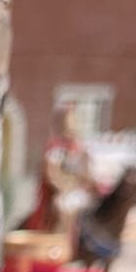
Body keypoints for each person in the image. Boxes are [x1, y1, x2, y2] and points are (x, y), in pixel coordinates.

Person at [24, 103, 98, 251]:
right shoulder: (55, 148)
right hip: (60, 191)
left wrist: (86, 182)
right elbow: (51, 174)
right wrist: (65, 187)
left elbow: (86, 172)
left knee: (93, 206)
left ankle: (89, 243)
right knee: (63, 207)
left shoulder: (80, 149)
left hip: (78, 190)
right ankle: (60, 245)